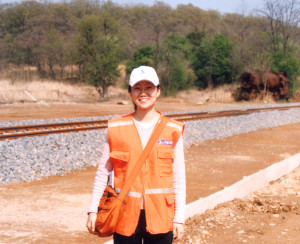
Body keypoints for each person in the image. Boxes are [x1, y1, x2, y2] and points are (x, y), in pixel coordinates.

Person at [86, 65, 186, 243]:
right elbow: (102, 172)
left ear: (158, 91)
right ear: (130, 92)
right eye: (137, 88)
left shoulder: (172, 129)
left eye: (149, 88)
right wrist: (93, 209)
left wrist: (179, 218)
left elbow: (178, 177)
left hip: (161, 215)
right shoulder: (117, 128)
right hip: (125, 216)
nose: (143, 93)